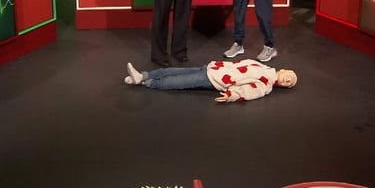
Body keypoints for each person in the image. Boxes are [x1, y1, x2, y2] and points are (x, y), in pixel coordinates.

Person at [121, 60, 297, 103]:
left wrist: (232, 95)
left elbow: (250, 91)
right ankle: (144, 75)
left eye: (289, 83)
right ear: (283, 70)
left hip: (215, 79)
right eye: (290, 76)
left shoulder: (266, 84)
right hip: (213, 68)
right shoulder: (263, 67)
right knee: (175, 71)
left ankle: (146, 83)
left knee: (179, 82)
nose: (288, 80)